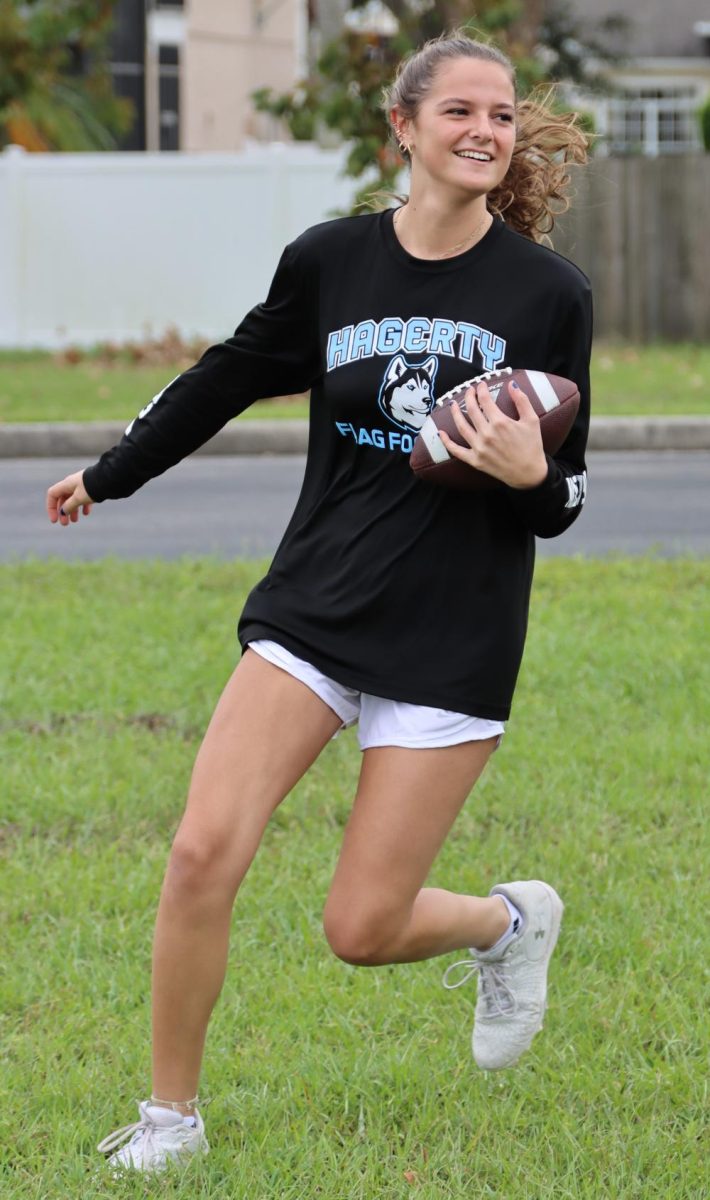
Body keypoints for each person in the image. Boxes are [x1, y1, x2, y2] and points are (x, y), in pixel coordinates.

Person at [46, 31, 593, 1175]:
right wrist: (111, 471)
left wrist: (530, 477)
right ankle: (170, 1122)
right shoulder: (330, 260)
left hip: (451, 634)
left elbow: (563, 498)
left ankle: (505, 921)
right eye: (458, 112)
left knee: (360, 929)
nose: (484, 131)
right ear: (402, 127)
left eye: (498, 115)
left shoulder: (546, 296)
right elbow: (230, 373)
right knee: (201, 853)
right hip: (315, 608)